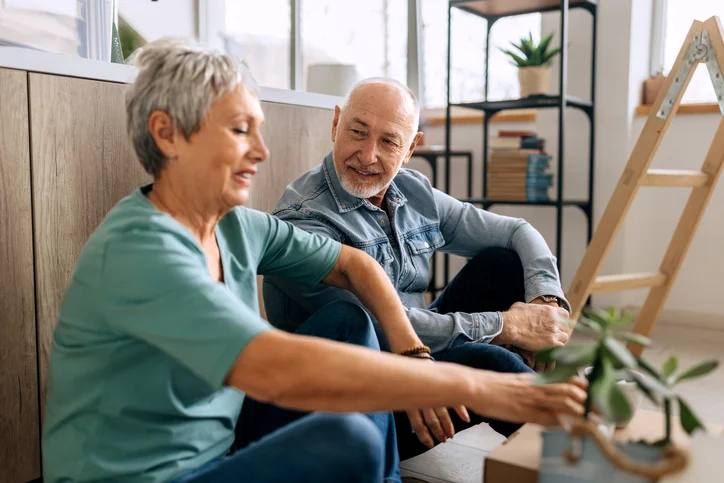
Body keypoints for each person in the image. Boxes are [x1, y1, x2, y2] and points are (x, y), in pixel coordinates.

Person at [41, 38, 585, 483]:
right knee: (347, 436)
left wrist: (416, 359)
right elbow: (273, 368)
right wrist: (460, 384)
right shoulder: (143, 251)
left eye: (256, 128)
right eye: (239, 130)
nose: (262, 150)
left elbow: (356, 266)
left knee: (379, 342)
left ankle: (574, 447)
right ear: (167, 135)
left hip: (224, 443)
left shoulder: (239, 226)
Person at [262, 77, 574, 460]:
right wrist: (506, 326)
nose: (367, 154)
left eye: (388, 141)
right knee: (493, 363)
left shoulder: (412, 191)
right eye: (357, 132)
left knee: (502, 263)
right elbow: (377, 324)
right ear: (335, 124)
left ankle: (563, 413)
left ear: (411, 148)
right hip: (360, 397)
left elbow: (516, 231)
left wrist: (547, 304)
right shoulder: (302, 220)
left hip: (420, 359)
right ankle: (576, 448)